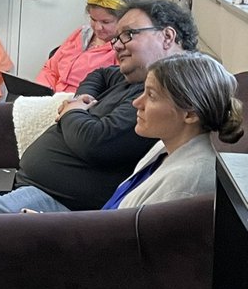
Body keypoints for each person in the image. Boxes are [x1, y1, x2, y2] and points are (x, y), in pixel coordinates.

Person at [0, 0, 199, 223]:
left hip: (56, 205)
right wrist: (84, 100)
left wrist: (72, 111)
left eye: (128, 34)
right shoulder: (131, 76)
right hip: (30, 186)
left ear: (168, 36)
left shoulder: (162, 96)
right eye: (117, 37)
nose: (117, 44)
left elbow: (95, 141)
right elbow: (99, 76)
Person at [104, 52, 242, 209]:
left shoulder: (187, 183)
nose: (137, 102)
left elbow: (123, 232)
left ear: (190, 114)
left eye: (151, 95)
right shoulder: (164, 147)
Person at [34, 0, 129, 92]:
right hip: (51, 98)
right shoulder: (81, 33)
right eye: (93, 19)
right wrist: (41, 92)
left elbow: (113, 92)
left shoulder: (123, 49)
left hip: (80, 104)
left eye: (105, 22)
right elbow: (50, 69)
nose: (97, 28)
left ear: (123, 20)